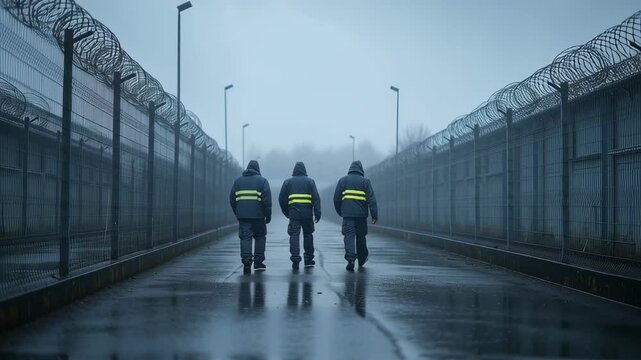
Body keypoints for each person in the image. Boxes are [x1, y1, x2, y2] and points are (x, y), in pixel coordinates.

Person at [333, 160, 378, 271]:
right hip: (362, 216)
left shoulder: (343, 181)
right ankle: (362, 259)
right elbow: (372, 200)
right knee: (361, 237)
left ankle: (350, 259)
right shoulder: (365, 182)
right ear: (361, 170)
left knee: (348, 236)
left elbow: (336, 199)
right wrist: (374, 215)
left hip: (347, 216)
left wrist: (340, 212)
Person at [230, 160, 272, 274]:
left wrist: (238, 212)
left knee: (245, 238)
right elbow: (267, 201)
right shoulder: (262, 181)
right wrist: (268, 215)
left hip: (243, 216)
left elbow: (232, 200)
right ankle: (258, 262)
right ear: (258, 169)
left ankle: (247, 263)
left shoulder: (237, 182)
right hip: (259, 216)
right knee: (260, 237)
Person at [279, 162, 321, 270]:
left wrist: (287, 212)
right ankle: (308, 259)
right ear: (305, 170)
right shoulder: (310, 182)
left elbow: (281, 199)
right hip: (307, 215)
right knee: (308, 235)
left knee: (294, 235)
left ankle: (295, 259)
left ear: (294, 171)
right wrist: (317, 213)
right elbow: (316, 198)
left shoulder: (287, 182)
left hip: (294, 214)